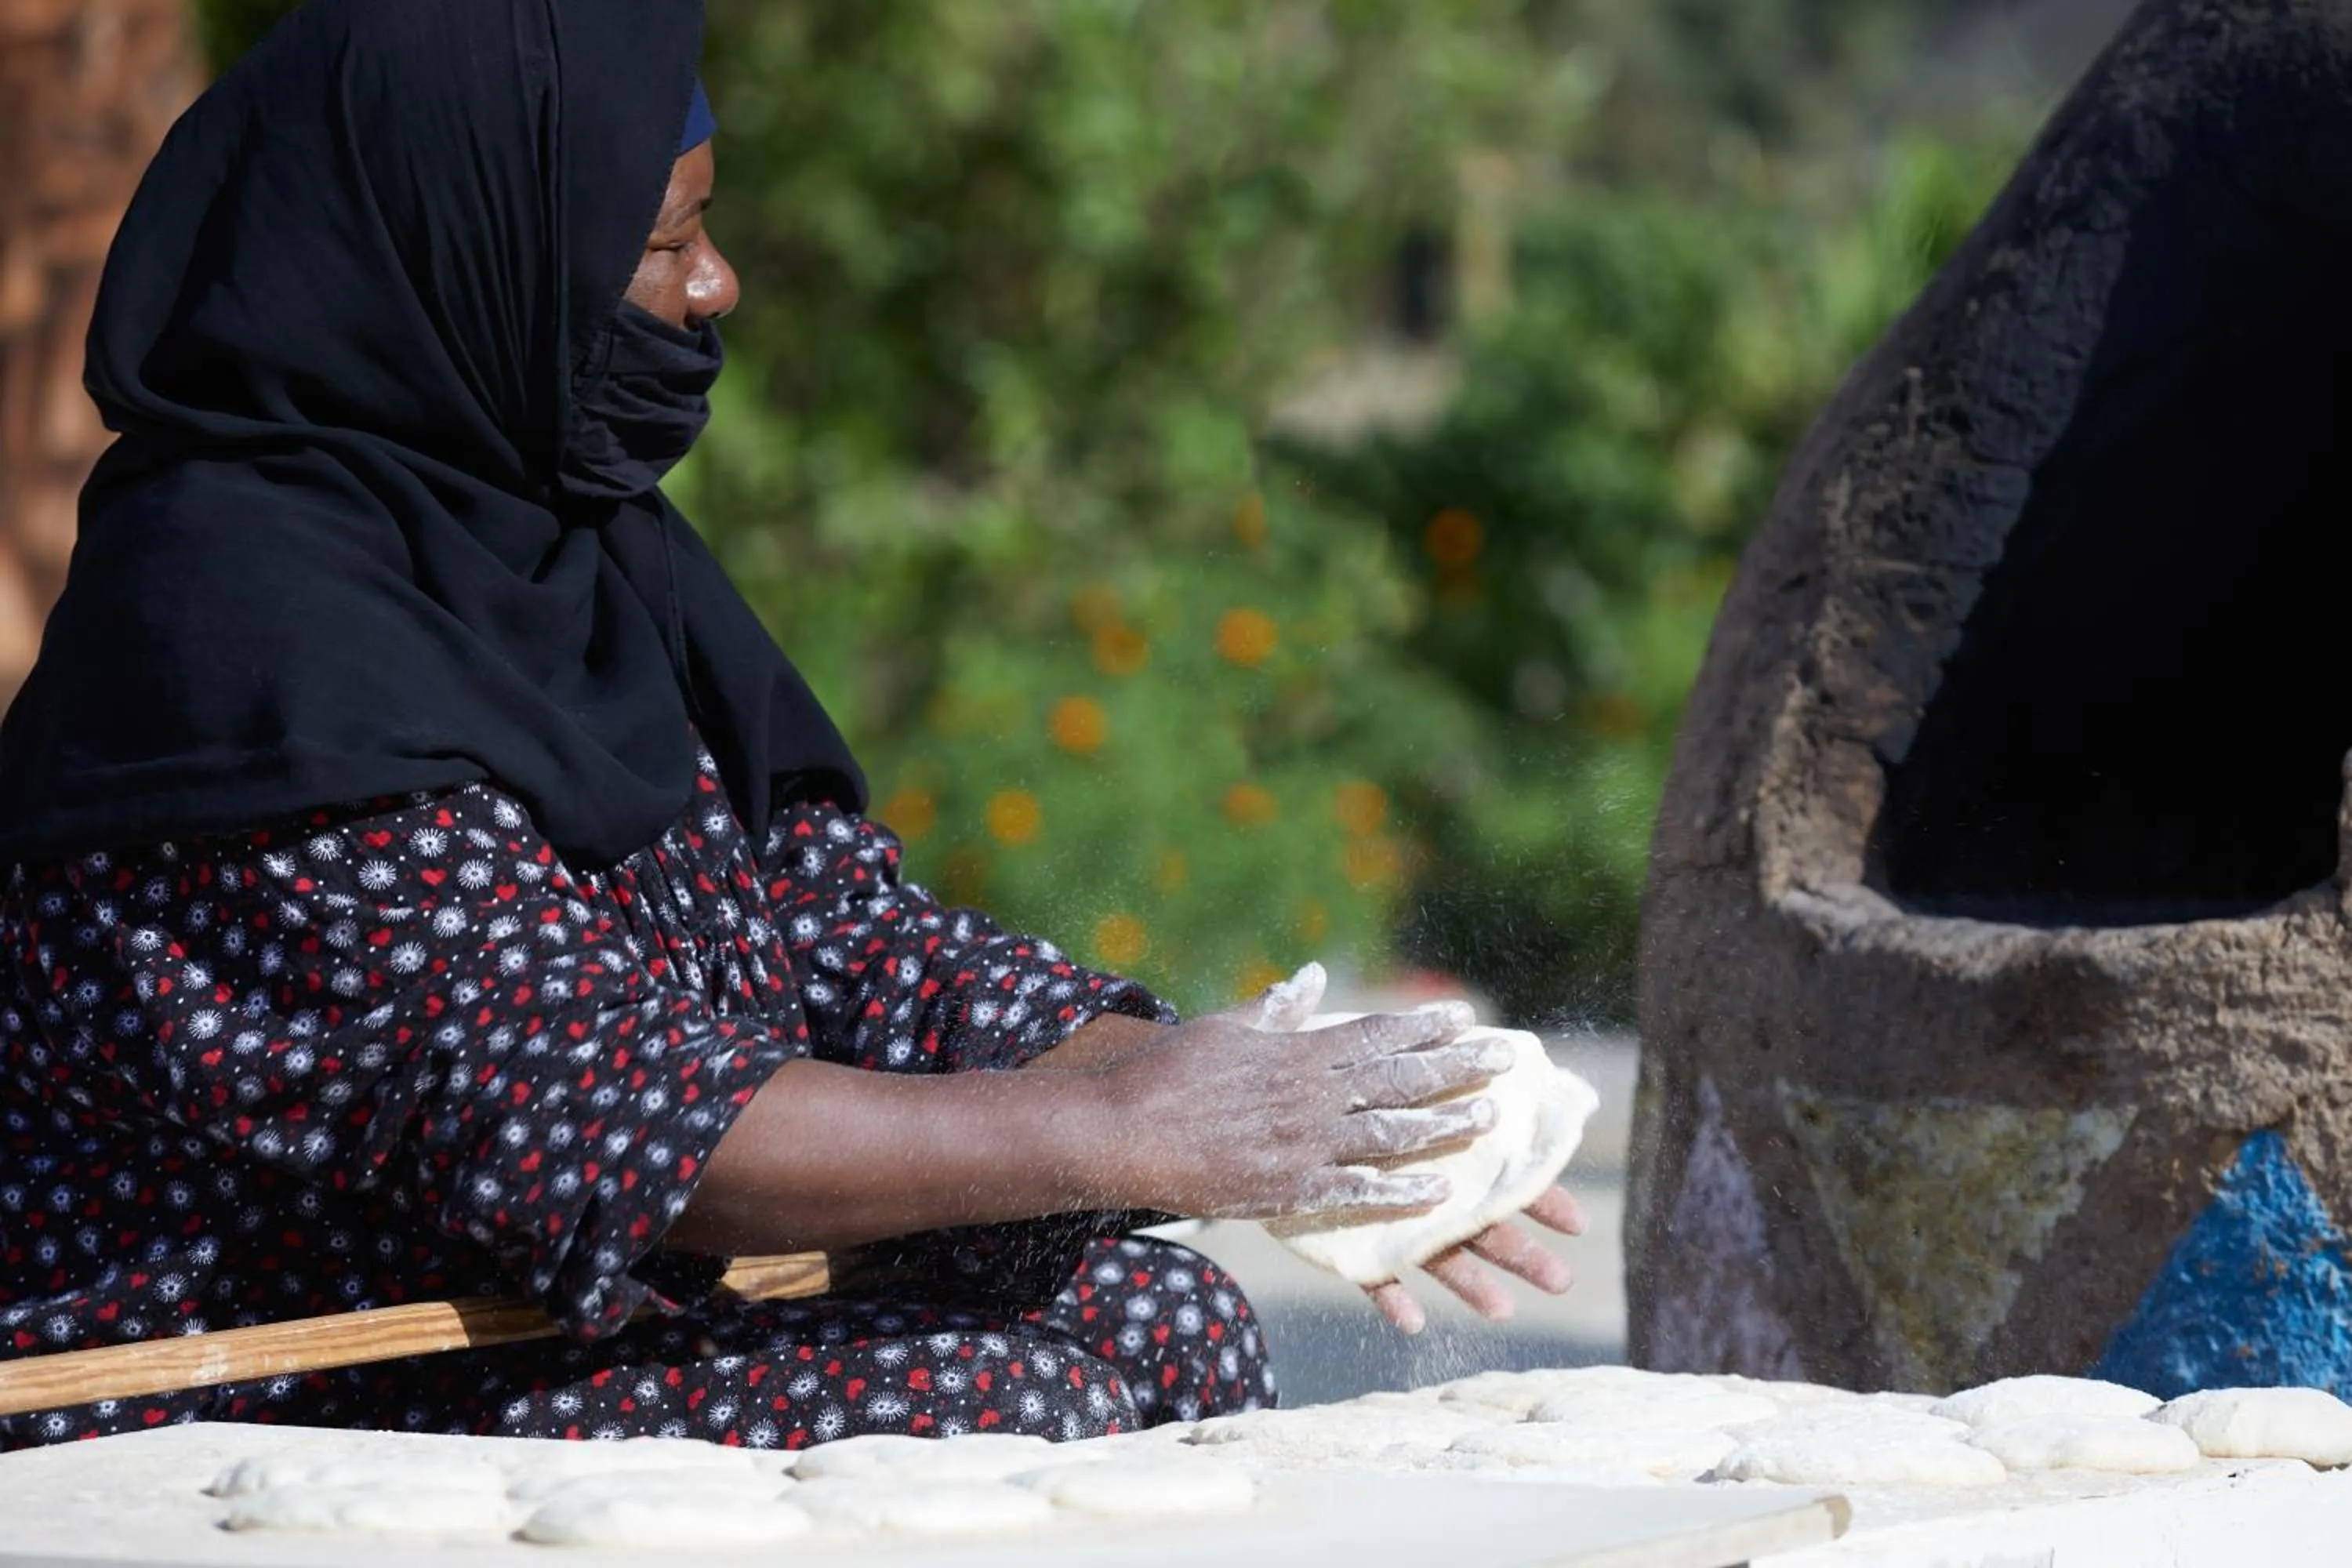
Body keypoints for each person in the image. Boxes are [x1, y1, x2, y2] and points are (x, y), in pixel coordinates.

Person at [0, 0, 1581, 1451]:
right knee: (1007, 1410)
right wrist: (1124, 1127)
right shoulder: (233, 636)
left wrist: (1264, 1101)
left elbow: (841, 940)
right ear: (469, 253)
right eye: (665, 241)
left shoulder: (571, 541)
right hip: (264, 1373)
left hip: (539, 1316)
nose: (715, 285)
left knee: (1165, 1322)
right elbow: (596, 1109)